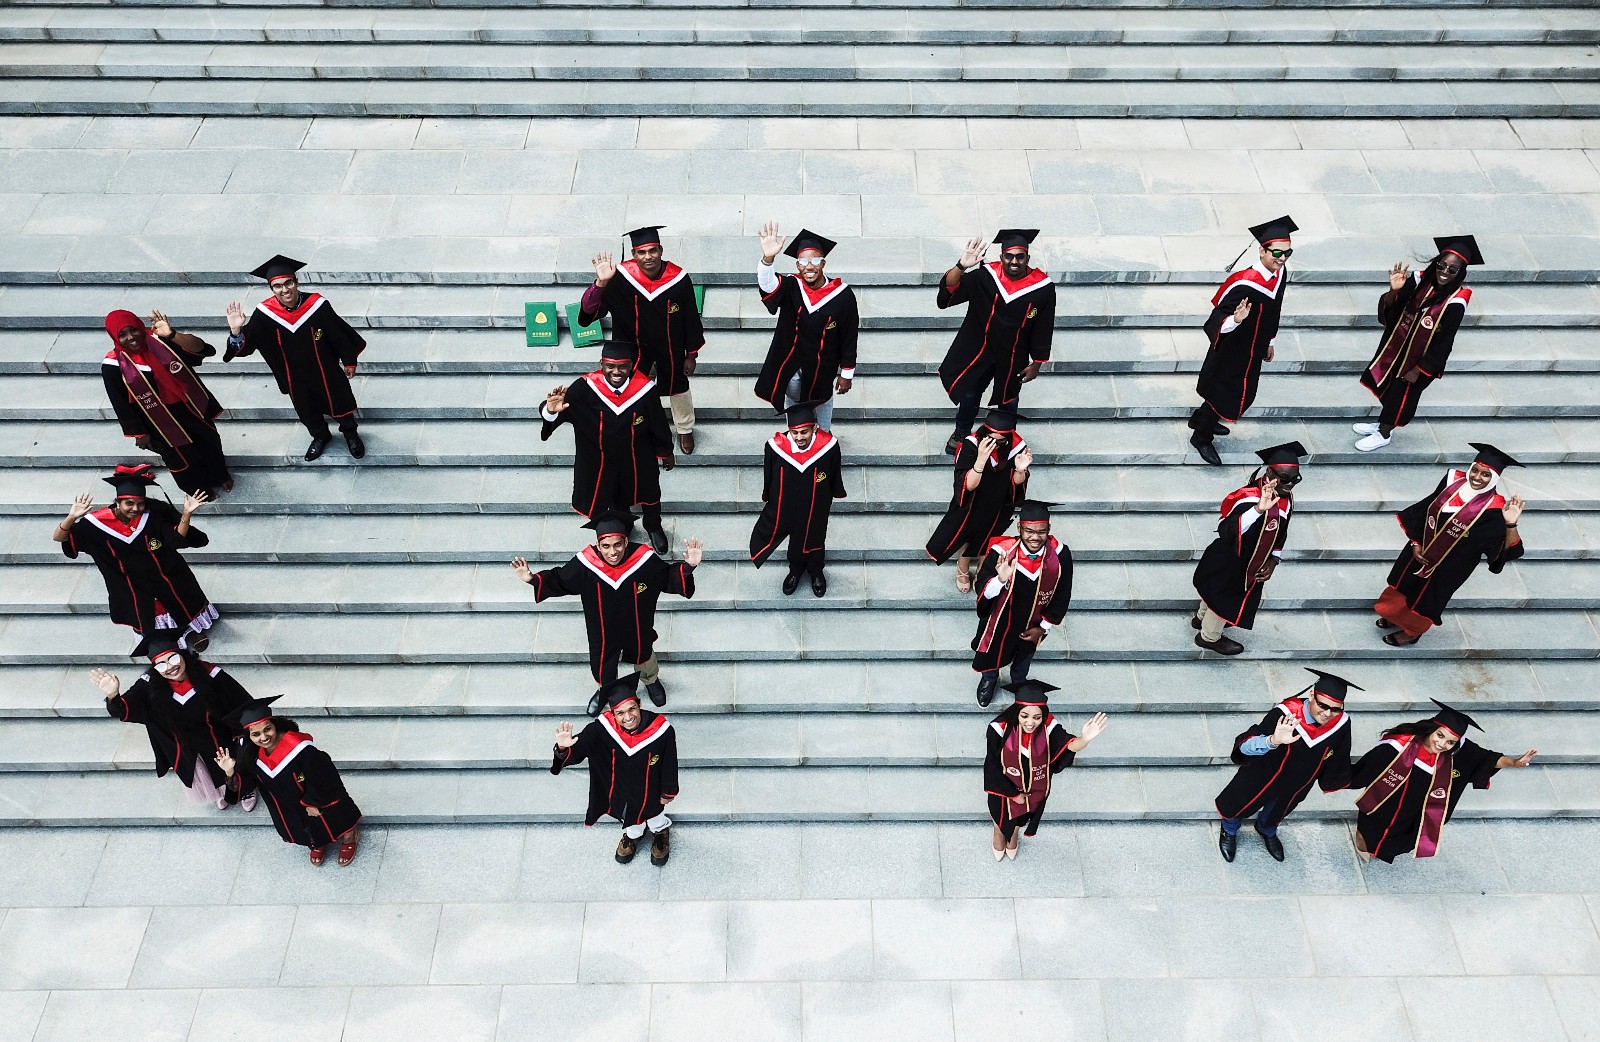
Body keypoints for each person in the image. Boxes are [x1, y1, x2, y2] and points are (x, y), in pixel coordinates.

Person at [512, 510, 702, 716]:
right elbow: (561, 579)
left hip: (637, 624)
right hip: (602, 629)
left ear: (626, 542)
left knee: (644, 655)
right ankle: (605, 690)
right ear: (598, 545)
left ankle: (650, 681)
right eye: (606, 546)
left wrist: (689, 567)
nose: (613, 552)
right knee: (602, 663)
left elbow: (666, 577)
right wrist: (532, 579)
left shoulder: (644, 560)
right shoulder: (585, 564)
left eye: (618, 544)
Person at [52, 464, 218, 652]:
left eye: (140, 503)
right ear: (118, 502)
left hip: (165, 573)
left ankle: (191, 629)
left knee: (179, 600)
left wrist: (186, 514)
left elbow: (176, 539)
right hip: (129, 583)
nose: (135, 508)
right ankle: (162, 642)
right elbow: (60, 538)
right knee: (146, 613)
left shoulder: (152, 515)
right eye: (129, 503)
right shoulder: (95, 525)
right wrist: (71, 517)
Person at [1374, 442, 1525, 647]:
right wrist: (1416, 542)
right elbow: (1426, 508)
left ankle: (1412, 631)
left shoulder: (1494, 509)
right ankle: (1393, 615)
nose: (1477, 478)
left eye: (1486, 475)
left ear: (1495, 479)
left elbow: (1507, 551)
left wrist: (1510, 523)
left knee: (1425, 600)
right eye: (1476, 471)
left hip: (1448, 566)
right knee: (1403, 584)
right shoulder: (1451, 481)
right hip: (1420, 550)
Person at [1352, 699, 1536, 863]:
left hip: (1419, 811)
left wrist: (1514, 762)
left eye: (1450, 742)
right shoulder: (1402, 744)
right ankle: (1362, 844)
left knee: (1400, 841)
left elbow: (1487, 759)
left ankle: (1377, 850)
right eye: (1440, 735)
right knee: (1367, 833)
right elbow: (1370, 766)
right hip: (1387, 801)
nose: (1442, 744)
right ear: (1432, 728)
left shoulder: (1460, 751)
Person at [224, 255, 367, 462]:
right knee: (307, 410)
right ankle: (320, 436)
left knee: (340, 403)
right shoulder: (265, 314)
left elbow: (338, 332)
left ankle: (351, 435)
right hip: (293, 375)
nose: (285, 290)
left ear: (296, 282)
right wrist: (237, 331)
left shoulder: (317, 305)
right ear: (271, 289)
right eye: (277, 286)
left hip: (325, 370)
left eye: (288, 283)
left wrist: (349, 360)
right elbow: (248, 345)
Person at [541, 339, 676, 555]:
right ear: (601, 364)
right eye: (610, 366)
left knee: (650, 493)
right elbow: (558, 408)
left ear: (631, 365)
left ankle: (653, 526)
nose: (616, 371)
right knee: (614, 497)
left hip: (637, 456)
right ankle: (626, 525)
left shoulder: (644, 389)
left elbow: (658, 423)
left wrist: (666, 451)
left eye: (623, 366)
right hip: (600, 458)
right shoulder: (586, 387)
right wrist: (551, 411)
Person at [580, 226, 705, 455]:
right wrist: (601, 284)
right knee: (632, 390)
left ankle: (685, 429)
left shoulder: (678, 279)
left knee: (679, 389)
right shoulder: (620, 278)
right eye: (641, 252)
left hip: (670, 348)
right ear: (633, 254)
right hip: (632, 350)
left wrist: (691, 354)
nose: (648, 257)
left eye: (652, 251)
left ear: (660, 250)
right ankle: (634, 429)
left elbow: (690, 319)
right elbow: (589, 313)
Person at [90, 638, 256, 811]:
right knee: (207, 772)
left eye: (173, 658)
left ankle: (246, 790)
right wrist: (113, 696)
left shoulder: (209, 674)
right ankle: (221, 792)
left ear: (182, 654)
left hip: (217, 736)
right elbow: (124, 709)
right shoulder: (149, 685)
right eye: (161, 664)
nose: (170, 667)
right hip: (186, 743)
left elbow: (240, 701)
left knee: (230, 763)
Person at [1215, 668, 1357, 864]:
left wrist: (1336, 777)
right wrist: (1273, 740)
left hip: (1297, 783)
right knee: (1240, 802)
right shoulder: (1285, 714)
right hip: (1262, 776)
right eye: (1323, 705)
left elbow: (1339, 753)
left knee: (1280, 808)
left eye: (1335, 708)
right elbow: (1245, 747)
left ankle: (1266, 829)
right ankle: (1229, 830)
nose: (1327, 713)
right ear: (1311, 695)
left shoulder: (1341, 722)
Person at [1355, 236, 1482, 452]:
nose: (1444, 272)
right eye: (1442, 265)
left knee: (1400, 396)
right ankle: (1382, 424)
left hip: (1419, 361)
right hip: (1396, 349)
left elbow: (1445, 342)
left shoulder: (1456, 302)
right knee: (1388, 387)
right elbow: (1393, 315)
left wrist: (1420, 369)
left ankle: (1384, 433)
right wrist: (1394, 291)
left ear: (1460, 273)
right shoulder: (1418, 280)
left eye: (1452, 270)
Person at [1189, 216, 1296, 466]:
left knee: (1236, 393)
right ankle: (1201, 437)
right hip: (1232, 349)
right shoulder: (1243, 282)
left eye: (1287, 253)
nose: (1282, 259)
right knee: (1224, 392)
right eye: (1277, 252)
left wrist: (1270, 340)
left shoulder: (1280, 275)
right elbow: (1215, 318)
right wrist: (1236, 320)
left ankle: (1201, 418)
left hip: (1254, 348)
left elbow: (1275, 310)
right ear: (1262, 250)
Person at [937, 231, 1055, 455]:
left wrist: (1038, 362)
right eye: (1009, 256)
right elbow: (948, 293)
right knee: (970, 394)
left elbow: (1044, 325)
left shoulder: (1043, 287)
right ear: (1001, 257)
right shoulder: (986, 276)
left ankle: (1006, 439)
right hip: (980, 350)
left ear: (1028, 258)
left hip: (1014, 354)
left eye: (1020, 257)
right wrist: (961, 266)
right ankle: (961, 433)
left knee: (1008, 399)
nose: (1014, 261)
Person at [215, 696, 364, 867]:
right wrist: (229, 771)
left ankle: (349, 836)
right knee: (305, 827)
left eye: (267, 729)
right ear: (249, 736)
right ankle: (317, 842)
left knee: (334, 817)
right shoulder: (251, 754)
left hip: (314, 797)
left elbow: (323, 775)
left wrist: (312, 802)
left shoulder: (299, 748)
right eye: (256, 734)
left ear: (274, 725)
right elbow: (244, 785)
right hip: (287, 804)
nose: (264, 737)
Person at [552, 672, 680, 867]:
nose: (628, 717)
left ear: (639, 705)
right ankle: (633, 835)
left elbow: (669, 763)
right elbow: (579, 748)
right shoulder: (602, 728)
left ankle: (660, 832)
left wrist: (668, 791)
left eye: (632, 709)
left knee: (654, 813)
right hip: (623, 789)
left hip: (650, 789)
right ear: (612, 714)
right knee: (630, 817)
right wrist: (563, 747)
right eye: (620, 713)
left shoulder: (661, 730)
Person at [102, 308, 232, 498]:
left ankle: (219, 475)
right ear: (114, 337)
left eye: (134, 330)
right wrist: (139, 432)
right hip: (156, 421)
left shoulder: (160, 340)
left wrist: (172, 335)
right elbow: (119, 401)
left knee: (208, 441)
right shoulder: (113, 365)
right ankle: (197, 490)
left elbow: (203, 350)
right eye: (122, 334)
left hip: (189, 407)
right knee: (179, 456)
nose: (131, 337)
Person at [1192, 441, 1305, 656]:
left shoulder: (1286, 497)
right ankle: (1208, 637)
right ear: (1269, 472)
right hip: (1230, 559)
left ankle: (1200, 619)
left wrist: (1274, 558)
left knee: (1215, 594)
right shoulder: (1247, 497)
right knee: (1224, 601)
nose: (1290, 484)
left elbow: (1282, 531)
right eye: (1284, 478)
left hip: (1253, 562)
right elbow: (1226, 530)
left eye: (1295, 479)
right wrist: (1258, 509)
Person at [982, 680, 1107, 860]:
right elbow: (992, 765)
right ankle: (998, 831)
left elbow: (1068, 745)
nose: (1030, 723)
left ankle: (1014, 831)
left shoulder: (1048, 726)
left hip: (1033, 787)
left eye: (1036, 717)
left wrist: (1085, 739)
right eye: (1024, 716)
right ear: (1017, 712)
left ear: (1043, 716)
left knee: (1022, 815)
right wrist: (1012, 794)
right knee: (999, 811)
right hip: (1004, 786)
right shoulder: (998, 728)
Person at [754, 224, 858, 432]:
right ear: (798, 266)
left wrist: (847, 373)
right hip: (791, 365)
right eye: (803, 261)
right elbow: (767, 286)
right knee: (794, 405)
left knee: (823, 402)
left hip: (823, 366)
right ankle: (797, 435)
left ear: (823, 263)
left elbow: (849, 335)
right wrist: (768, 259)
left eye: (815, 260)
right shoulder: (792, 285)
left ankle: (825, 438)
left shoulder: (843, 295)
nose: (809, 266)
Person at [971, 501, 1072, 708]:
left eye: (1041, 532)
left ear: (1049, 530)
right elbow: (982, 588)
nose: (1035, 537)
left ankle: (1019, 682)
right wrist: (1000, 579)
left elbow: (1063, 593)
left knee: (1024, 657)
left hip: (1032, 623)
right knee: (991, 652)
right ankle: (989, 679)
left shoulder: (1060, 555)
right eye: (1029, 531)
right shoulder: (1002, 552)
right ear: (1019, 528)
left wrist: (1043, 628)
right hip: (1000, 620)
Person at [926, 406, 1032, 591]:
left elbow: (1016, 485)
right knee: (967, 535)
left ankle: (983, 569)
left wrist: (1020, 469)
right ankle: (963, 567)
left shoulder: (1016, 448)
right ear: (984, 432)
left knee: (991, 536)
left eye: (1000, 442)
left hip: (999, 502)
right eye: (990, 439)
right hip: (972, 501)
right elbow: (967, 484)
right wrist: (981, 459)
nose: (995, 444)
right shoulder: (970, 445)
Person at [749, 399, 846, 597]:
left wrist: (835, 492)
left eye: (804, 432)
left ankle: (816, 571)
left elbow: (834, 473)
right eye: (795, 433)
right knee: (794, 539)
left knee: (816, 537)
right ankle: (795, 570)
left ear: (814, 428)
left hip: (817, 505)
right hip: (789, 506)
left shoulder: (829, 446)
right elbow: (769, 475)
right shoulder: (775, 447)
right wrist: (768, 496)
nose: (800, 437)